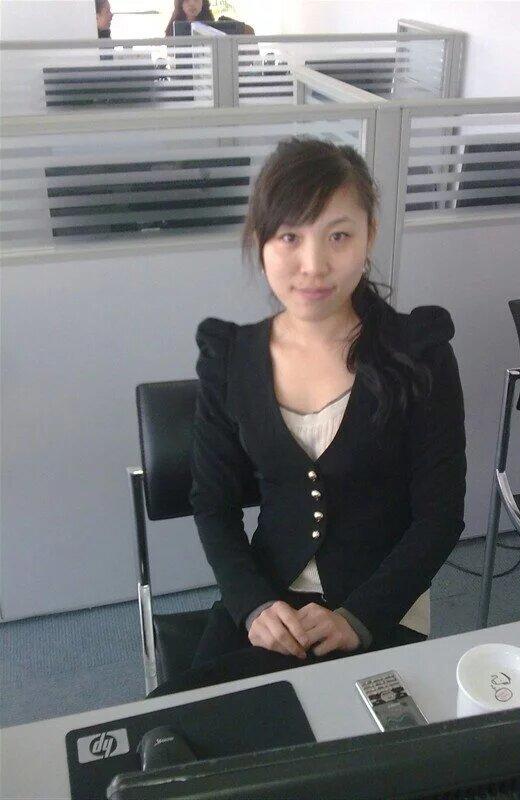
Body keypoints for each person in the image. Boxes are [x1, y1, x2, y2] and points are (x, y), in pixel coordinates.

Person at [151, 137, 466, 696]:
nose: (313, 265)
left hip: (381, 598)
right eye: (290, 236)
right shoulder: (230, 359)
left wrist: (359, 617)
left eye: (338, 236)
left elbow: (439, 517)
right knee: (191, 725)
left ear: (369, 236)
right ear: (261, 242)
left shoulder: (419, 354)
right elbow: (214, 504)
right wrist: (252, 604)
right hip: (267, 598)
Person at [164, 0, 254, 36]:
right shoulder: (172, 31)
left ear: (203, 2)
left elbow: (249, 31)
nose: (192, 3)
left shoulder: (216, 28)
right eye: (186, 0)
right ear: (180, 4)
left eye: (196, 0)